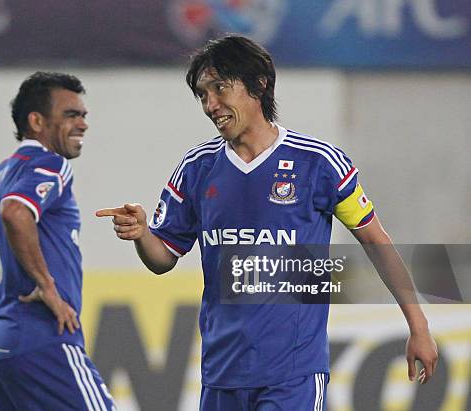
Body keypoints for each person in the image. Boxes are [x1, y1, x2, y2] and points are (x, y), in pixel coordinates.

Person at [96, 36, 438, 410]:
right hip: (221, 375)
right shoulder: (196, 169)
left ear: (259, 84)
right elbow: (163, 258)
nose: (211, 105)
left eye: (219, 89)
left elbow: (376, 242)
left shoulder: (318, 163)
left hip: (293, 375)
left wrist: (418, 326)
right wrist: (142, 234)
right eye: (203, 95)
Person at [0, 71, 116, 411]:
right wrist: (47, 286)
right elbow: (15, 212)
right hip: (43, 338)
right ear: (37, 121)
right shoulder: (50, 163)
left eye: (84, 115)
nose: (83, 124)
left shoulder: (2, 175)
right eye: (71, 115)